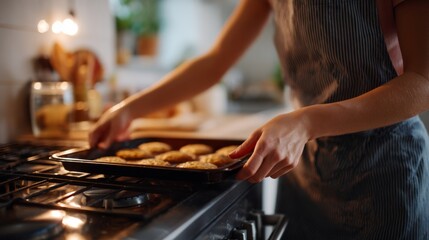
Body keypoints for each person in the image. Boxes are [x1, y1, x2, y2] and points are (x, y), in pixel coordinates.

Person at [90, 0, 429, 239]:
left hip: (384, 170)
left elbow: (423, 82)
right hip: (307, 171)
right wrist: (131, 109)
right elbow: (217, 60)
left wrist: (304, 123)